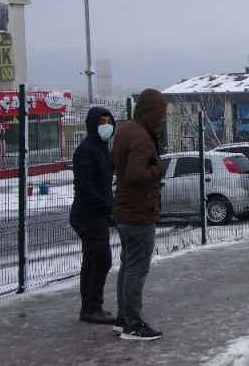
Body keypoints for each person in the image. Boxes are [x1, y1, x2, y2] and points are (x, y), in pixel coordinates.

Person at [111, 88, 167, 340]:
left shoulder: (125, 130)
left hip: (125, 209)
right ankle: (133, 324)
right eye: (161, 114)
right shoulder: (142, 137)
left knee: (127, 266)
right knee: (136, 269)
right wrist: (158, 171)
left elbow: (118, 167)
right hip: (138, 211)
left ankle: (123, 319)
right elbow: (135, 175)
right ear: (152, 112)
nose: (162, 120)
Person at [70, 107, 116, 324]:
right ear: (92, 125)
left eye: (108, 121)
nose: (106, 125)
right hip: (87, 214)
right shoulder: (86, 150)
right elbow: (85, 187)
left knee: (91, 259)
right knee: (102, 259)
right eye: (101, 122)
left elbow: (104, 183)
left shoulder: (102, 149)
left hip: (95, 213)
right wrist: (107, 206)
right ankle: (92, 308)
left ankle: (88, 308)